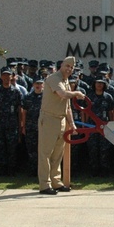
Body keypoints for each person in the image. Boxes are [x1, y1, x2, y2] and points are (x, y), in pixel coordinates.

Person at [38, 56, 85, 193]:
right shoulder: (54, 78)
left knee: (58, 154)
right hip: (49, 119)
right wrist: (76, 93)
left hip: (61, 120)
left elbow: (68, 107)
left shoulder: (65, 81)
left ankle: (56, 182)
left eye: (71, 67)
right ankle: (45, 185)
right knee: (45, 153)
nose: (69, 69)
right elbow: (63, 95)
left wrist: (72, 124)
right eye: (67, 66)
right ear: (61, 66)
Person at [0, 67, 25, 176]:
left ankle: (11, 170)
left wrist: (20, 125)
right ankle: (2, 169)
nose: (6, 77)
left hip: (12, 124)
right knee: (0, 148)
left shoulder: (16, 92)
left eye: (8, 75)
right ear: (1, 76)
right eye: (4, 75)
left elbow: (20, 110)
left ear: (12, 77)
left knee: (11, 148)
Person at [21, 77, 45, 173]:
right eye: (36, 84)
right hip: (31, 127)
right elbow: (24, 112)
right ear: (33, 85)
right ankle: (33, 170)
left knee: (43, 150)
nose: (38, 86)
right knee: (31, 150)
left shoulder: (47, 98)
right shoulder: (28, 97)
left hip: (44, 128)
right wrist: (23, 126)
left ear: (43, 85)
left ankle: (43, 171)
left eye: (40, 84)